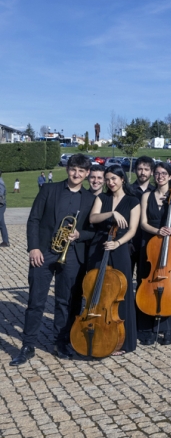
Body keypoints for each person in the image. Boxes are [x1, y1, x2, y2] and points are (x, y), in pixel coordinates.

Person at [10, 155, 95, 366]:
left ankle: (61, 343)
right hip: (45, 252)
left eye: (81, 171)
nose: (77, 174)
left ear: (87, 174)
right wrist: (34, 248)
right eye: (74, 169)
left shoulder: (91, 199)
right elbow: (34, 219)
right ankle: (27, 346)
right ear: (68, 169)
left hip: (72, 255)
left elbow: (93, 231)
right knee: (36, 301)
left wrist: (79, 235)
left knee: (65, 302)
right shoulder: (49, 190)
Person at [86, 166, 141, 356]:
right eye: (107, 179)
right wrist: (111, 214)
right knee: (98, 292)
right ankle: (99, 334)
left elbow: (133, 230)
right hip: (99, 246)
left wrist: (117, 243)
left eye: (114, 179)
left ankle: (121, 341)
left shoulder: (133, 201)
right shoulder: (102, 198)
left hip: (120, 247)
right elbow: (93, 218)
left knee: (121, 294)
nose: (110, 182)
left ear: (122, 179)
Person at [137, 162, 171, 346]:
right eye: (157, 173)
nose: (160, 176)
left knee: (169, 289)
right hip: (150, 244)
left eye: (164, 173)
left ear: (170, 176)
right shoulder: (146, 196)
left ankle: (166, 330)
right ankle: (150, 329)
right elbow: (143, 223)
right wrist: (157, 231)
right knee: (149, 288)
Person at [129, 156, 156, 286]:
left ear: (151, 172)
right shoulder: (128, 191)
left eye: (146, 169)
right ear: (135, 170)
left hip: (148, 241)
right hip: (130, 240)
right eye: (140, 169)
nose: (143, 172)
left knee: (144, 279)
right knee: (126, 277)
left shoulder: (156, 192)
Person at [0, 169, 8, 247]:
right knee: (1, 223)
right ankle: (5, 241)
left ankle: (6, 241)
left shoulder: (0, 182)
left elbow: (1, 194)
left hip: (1, 205)